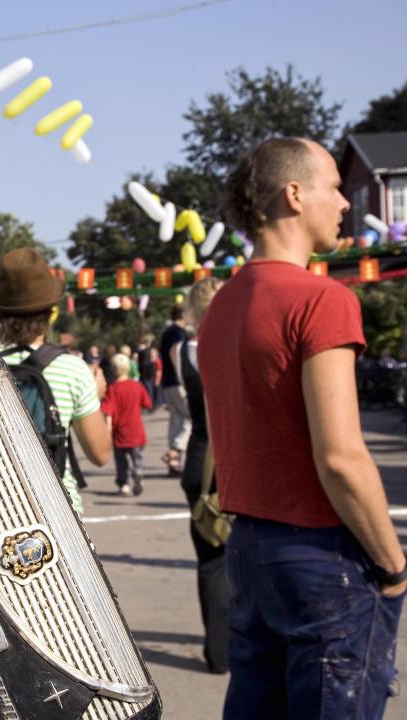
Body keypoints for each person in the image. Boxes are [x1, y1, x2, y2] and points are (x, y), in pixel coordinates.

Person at [199, 137, 406, 720]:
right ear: (295, 194)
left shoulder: (222, 305)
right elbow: (340, 456)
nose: (345, 203)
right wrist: (393, 566)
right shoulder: (322, 299)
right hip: (321, 553)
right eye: (335, 186)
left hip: (248, 546)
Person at [0, 247, 111, 515]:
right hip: (58, 511)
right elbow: (100, 455)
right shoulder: (72, 370)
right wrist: (95, 397)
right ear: (49, 311)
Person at [169, 276, 228, 674]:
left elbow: (184, 407)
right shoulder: (238, 343)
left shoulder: (180, 351)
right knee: (248, 554)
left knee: (210, 559)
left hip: (199, 460)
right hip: (236, 459)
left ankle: (218, 652)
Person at [100, 354, 152, 496]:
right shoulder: (137, 386)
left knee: (121, 461)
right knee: (137, 456)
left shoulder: (113, 389)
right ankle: (138, 472)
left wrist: (108, 429)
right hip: (136, 429)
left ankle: (124, 484)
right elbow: (148, 404)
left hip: (120, 431)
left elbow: (107, 411)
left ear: (114, 370)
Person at [158, 304, 190, 476]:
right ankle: (175, 452)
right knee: (193, 418)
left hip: (167, 381)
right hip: (178, 381)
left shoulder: (167, 332)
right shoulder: (178, 332)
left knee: (177, 419)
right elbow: (176, 353)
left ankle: (174, 462)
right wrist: (184, 375)